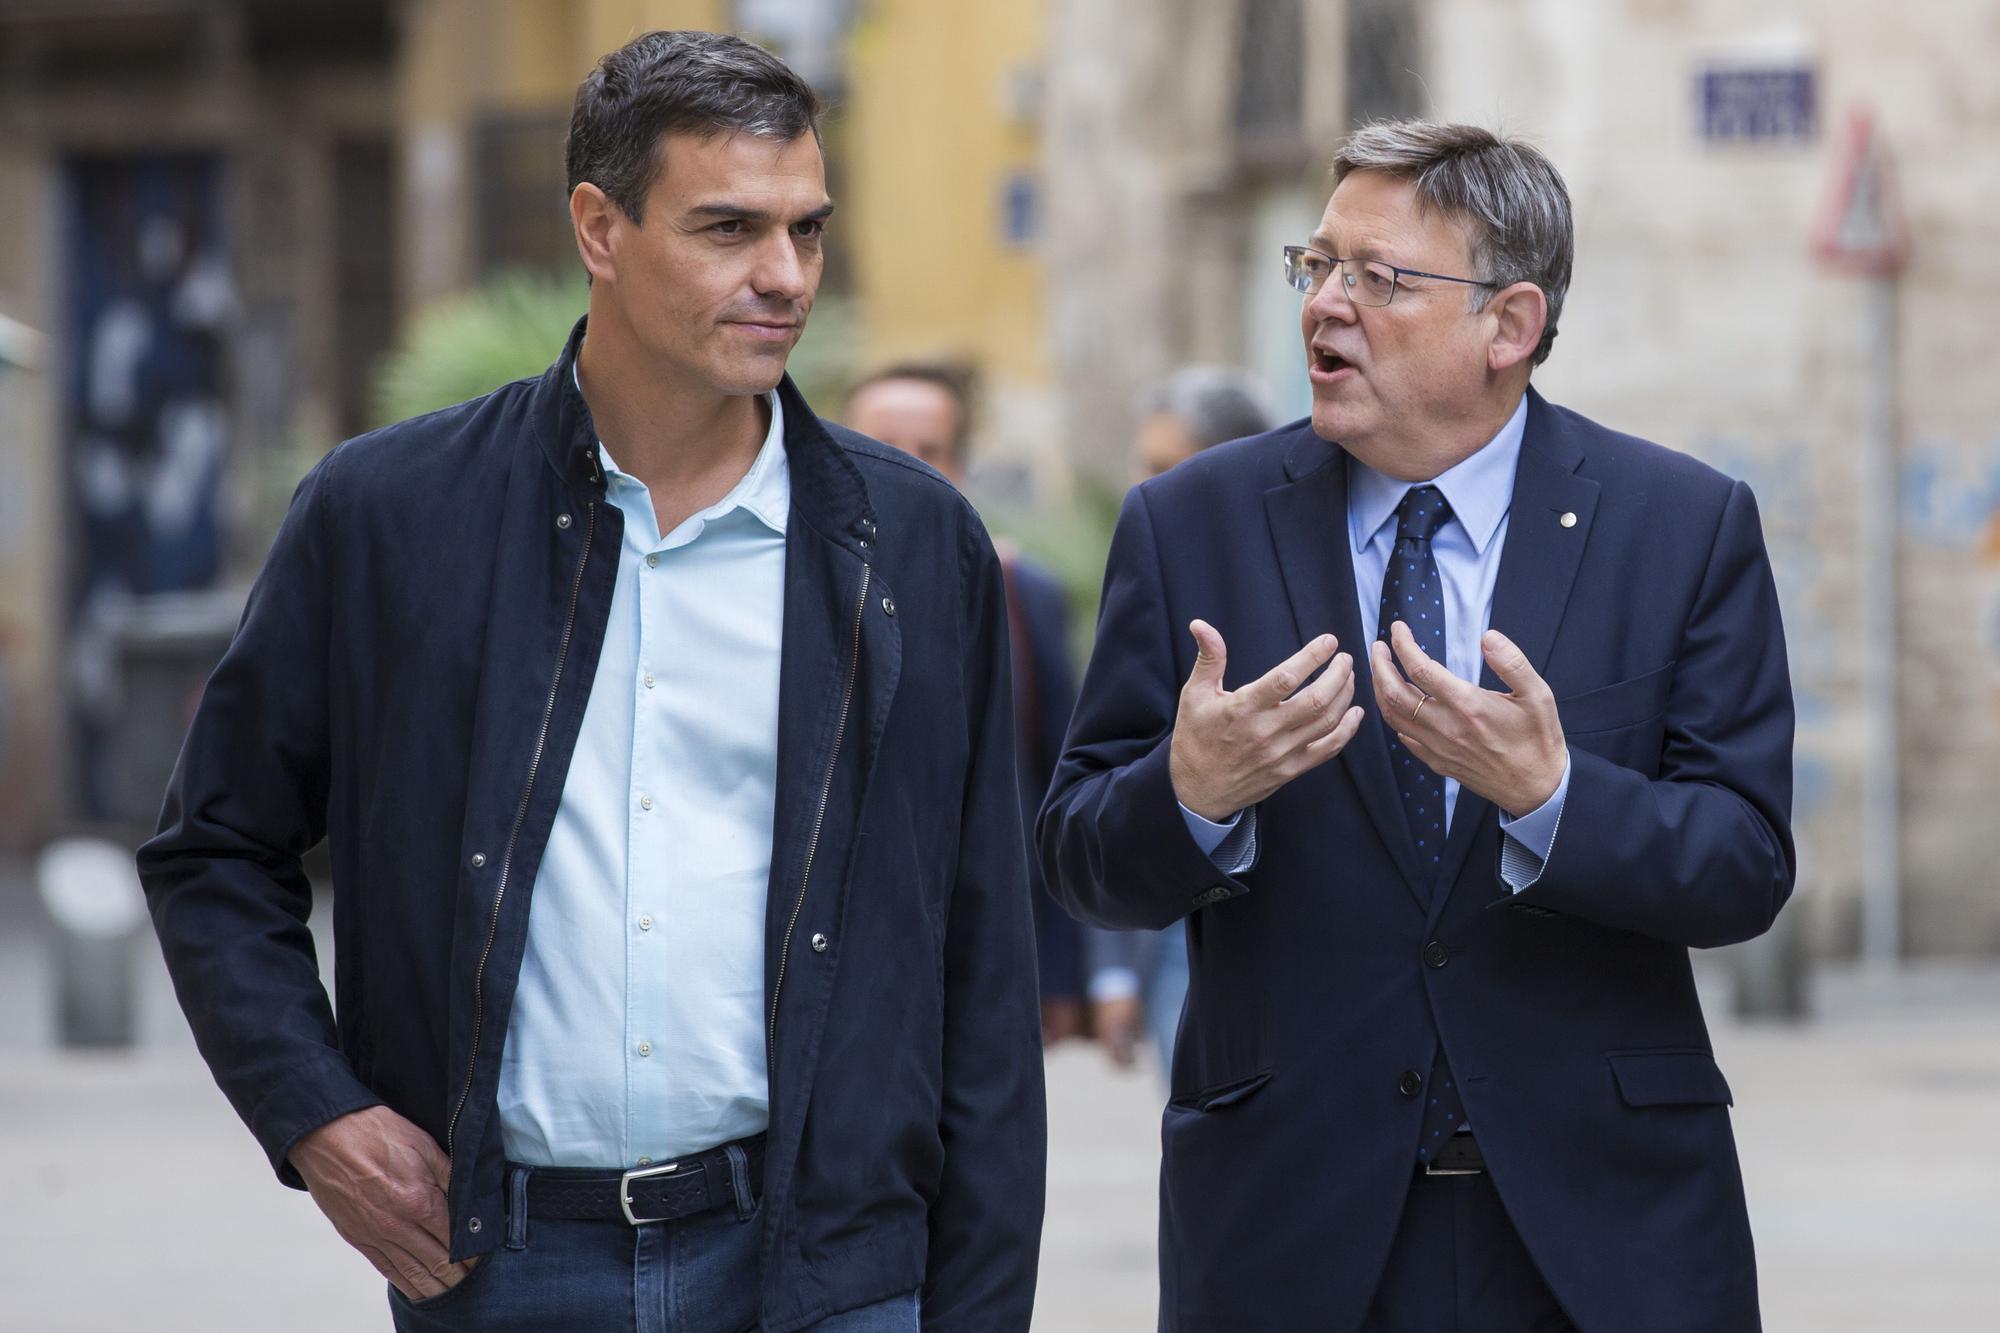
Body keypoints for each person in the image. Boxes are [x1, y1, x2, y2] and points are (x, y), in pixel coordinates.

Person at [139, 31, 1043, 1333]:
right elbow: (215, 847)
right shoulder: (390, 514)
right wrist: (315, 1110)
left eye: (807, 230)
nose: (783, 276)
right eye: (729, 227)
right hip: (507, 1267)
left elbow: (984, 969)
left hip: (826, 1268)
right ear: (599, 227)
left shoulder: (911, 543)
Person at [1039, 120, 1794, 1332]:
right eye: (1315, 266)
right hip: (1291, 1232)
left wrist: (1555, 796)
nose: (1324, 307)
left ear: (1509, 325)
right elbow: (1080, 855)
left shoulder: (1679, 524)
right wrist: (1190, 789)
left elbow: (1744, 866)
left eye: (1377, 279)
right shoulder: (1192, 524)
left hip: (1599, 1234)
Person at [841, 364, 1090, 1045]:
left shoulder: (1019, 594)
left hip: (974, 952)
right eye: (883, 444)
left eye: (931, 450)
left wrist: (1066, 973)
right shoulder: (783, 588)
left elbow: (1058, 779)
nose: (908, 468)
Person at [1089, 367, 1273, 1073]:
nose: (1144, 487)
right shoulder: (1146, 580)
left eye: (1166, 467)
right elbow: (1102, 769)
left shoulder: (1294, 581)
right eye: (1143, 463)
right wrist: (1112, 972)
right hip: (1170, 917)